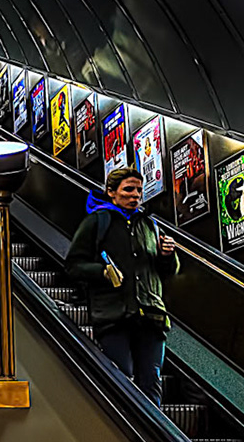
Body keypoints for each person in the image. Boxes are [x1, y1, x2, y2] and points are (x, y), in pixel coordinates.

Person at [68, 165, 179, 404]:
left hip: (151, 315)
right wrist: (103, 272)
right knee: (121, 379)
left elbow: (166, 272)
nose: (135, 196)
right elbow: (74, 265)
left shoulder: (149, 225)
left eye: (139, 191)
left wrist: (168, 255)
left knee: (151, 383)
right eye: (128, 190)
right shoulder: (98, 221)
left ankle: (153, 440)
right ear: (111, 192)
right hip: (113, 315)